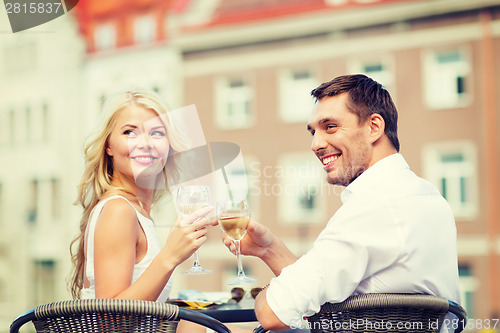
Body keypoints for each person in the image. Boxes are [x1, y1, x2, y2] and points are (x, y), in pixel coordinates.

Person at [223, 74, 461, 331]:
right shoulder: (426, 196)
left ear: (373, 127)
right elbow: (326, 285)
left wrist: (269, 292)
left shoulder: (374, 205)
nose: (316, 144)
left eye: (330, 127)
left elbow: (273, 314)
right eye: (313, 132)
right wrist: (268, 249)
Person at [69, 89, 214, 332]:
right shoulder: (118, 210)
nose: (145, 143)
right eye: (129, 132)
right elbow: (112, 322)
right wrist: (170, 255)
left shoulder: (136, 209)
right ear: (109, 147)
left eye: (156, 133)